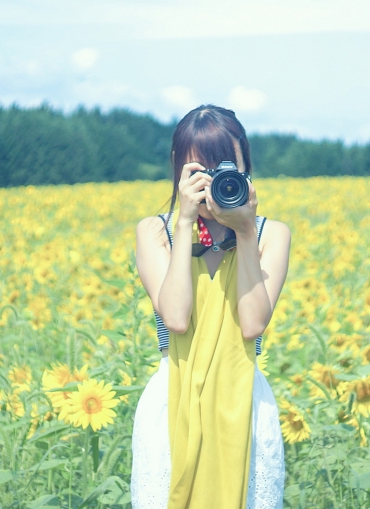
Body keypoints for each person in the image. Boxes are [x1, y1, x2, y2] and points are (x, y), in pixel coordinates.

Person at [130, 105, 291, 509]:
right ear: (177, 169)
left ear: (244, 166)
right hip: (173, 403)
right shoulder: (156, 232)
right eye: (198, 169)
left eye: (224, 167)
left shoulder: (272, 234)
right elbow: (177, 318)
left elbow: (252, 324)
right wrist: (184, 223)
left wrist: (244, 232)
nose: (212, 181)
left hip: (245, 408)